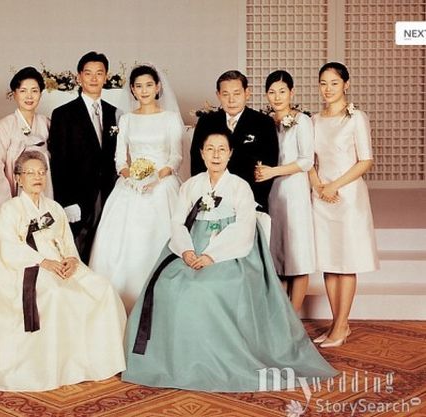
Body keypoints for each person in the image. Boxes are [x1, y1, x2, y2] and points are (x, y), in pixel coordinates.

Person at [122, 128, 337, 392]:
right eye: (210, 149)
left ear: (230, 154)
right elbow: (177, 222)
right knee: (168, 285)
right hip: (191, 246)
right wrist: (187, 251)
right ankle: (177, 358)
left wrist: (212, 255)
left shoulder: (239, 186)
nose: (216, 155)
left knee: (205, 288)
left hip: (230, 252)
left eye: (222, 149)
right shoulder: (191, 186)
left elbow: (244, 228)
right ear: (201, 153)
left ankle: (214, 359)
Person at [0, 151, 126, 392]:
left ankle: (97, 361)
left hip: (59, 263)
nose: (37, 177)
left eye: (41, 172)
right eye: (30, 173)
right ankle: (54, 367)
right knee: (54, 294)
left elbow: (67, 241)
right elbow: (10, 247)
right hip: (24, 268)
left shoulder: (54, 207)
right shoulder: (10, 209)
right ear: (18, 178)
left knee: (102, 289)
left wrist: (71, 260)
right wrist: (43, 262)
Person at [89, 64, 183, 311]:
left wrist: (155, 178)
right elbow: (120, 159)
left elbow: (176, 157)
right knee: (122, 244)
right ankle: (121, 301)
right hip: (130, 185)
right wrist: (131, 177)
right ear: (132, 89)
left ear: (158, 87)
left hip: (162, 184)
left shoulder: (170, 118)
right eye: (139, 86)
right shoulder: (127, 119)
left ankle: (162, 298)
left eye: (149, 85)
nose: (144, 90)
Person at [309, 62, 379, 348]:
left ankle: (340, 326)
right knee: (329, 261)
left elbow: (365, 160)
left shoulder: (356, 118)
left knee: (346, 262)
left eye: (334, 83)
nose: (328, 89)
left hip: (347, 197)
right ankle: (338, 323)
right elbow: (308, 160)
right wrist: (318, 186)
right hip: (321, 196)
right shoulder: (314, 120)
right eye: (323, 83)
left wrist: (334, 186)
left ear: (346, 85)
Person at [48, 51, 118, 262]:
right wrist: (66, 202)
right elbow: (58, 162)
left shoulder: (115, 113)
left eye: (99, 73)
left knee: (104, 252)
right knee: (76, 252)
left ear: (106, 77)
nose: (94, 78)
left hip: (110, 194)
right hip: (78, 197)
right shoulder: (63, 114)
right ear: (79, 77)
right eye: (88, 73)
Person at [255, 70, 315, 312]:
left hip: (295, 192)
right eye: (272, 92)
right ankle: (281, 314)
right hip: (271, 193)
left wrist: (273, 171)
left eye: (282, 91)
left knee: (297, 254)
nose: (277, 97)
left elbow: (306, 161)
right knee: (277, 254)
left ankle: (294, 318)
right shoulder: (265, 122)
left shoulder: (302, 121)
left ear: (292, 92)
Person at [190, 70, 278, 212]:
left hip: (251, 201)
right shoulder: (206, 122)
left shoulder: (263, 122)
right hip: (211, 200)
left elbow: (269, 166)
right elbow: (196, 162)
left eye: (236, 94)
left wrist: (251, 201)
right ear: (218, 95)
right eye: (225, 94)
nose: (231, 100)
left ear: (247, 93)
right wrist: (207, 198)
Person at [0, 66, 51, 214]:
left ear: (41, 94)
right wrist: (6, 200)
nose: (29, 96)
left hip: (43, 192)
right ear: (14, 94)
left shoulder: (46, 123)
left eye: (34, 91)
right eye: (23, 91)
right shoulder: (4, 126)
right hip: (13, 193)